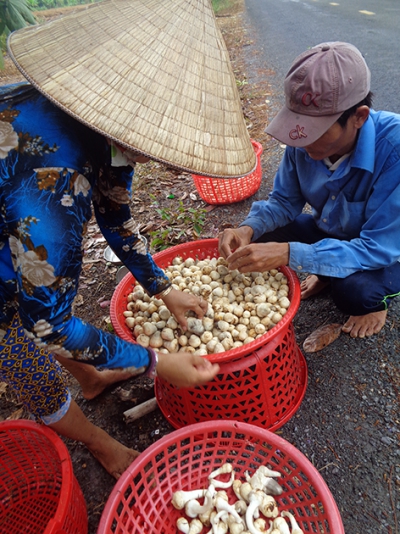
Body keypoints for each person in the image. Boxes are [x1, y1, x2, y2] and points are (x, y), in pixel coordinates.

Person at [0, 81, 220, 479]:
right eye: (167, 154)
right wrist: (156, 362)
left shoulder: (95, 112)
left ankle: (92, 379)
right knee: (31, 361)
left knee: (36, 301)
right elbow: (50, 328)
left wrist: (163, 288)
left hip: (14, 221)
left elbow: (114, 215)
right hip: (25, 212)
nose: (169, 166)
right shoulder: (55, 182)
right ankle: (100, 444)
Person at [219, 41, 400, 339]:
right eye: (297, 128)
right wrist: (247, 229)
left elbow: (376, 247)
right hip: (334, 231)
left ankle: (379, 298)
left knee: (354, 294)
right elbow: (284, 202)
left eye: (313, 132)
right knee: (258, 239)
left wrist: (290, 253)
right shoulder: (301, 143)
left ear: (359, 116)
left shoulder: (393, 149)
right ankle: (328, 272)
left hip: (385, 249)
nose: (300, 142)